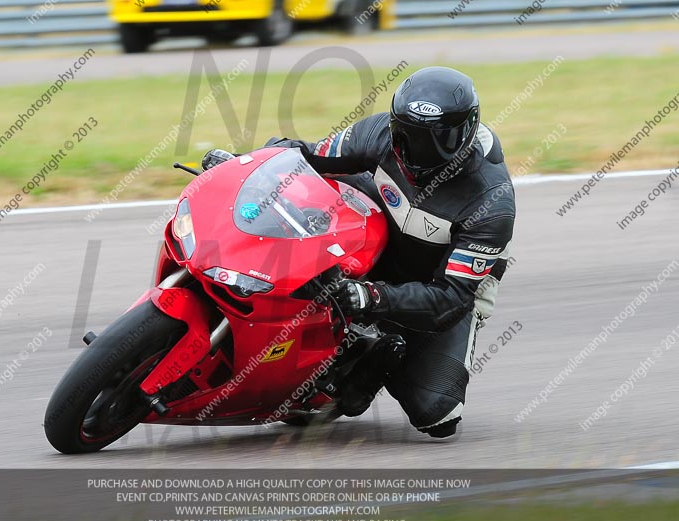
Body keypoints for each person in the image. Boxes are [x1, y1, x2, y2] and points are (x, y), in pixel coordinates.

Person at [205, 66, 516, 438]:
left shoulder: (491, 202)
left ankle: (376, 358)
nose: (418, 152)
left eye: (439, 141)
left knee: (436, 411)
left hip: (437, 285)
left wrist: (372, 296)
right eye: (408, 136)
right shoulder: (379, 132)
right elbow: (307, 155)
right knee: (311, 185)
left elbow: (450, 299)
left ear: (467, 132)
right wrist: (245, 164)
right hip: (378, 235)